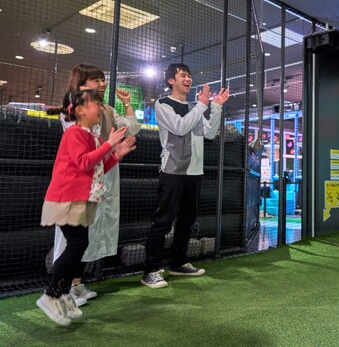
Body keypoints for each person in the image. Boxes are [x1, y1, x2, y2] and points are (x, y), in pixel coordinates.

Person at [37, 90, 136, 326]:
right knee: (77, 245)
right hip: (66, 198)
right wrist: (110, 144)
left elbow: (98, 165)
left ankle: (61, 295)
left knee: (79, 246)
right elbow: (83, 162)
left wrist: (116, 154)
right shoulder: (74, 133)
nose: (100, 108)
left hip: (82, 198)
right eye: (95, 104)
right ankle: (51, 295)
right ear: (80, 110)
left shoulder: (92, 136)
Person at [141, 63, 229, 289]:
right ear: (171, 80)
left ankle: (178, 263)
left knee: (187, 221)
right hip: (173, 171)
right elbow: (180, 128)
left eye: (189, 75)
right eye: (182, 75)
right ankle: (150, 270)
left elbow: (209, 133)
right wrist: (201, 106)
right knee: (163, 222)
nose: (188, 79)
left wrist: (216, 108)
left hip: (195, 173)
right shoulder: (163, 104)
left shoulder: (193, 107)